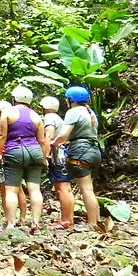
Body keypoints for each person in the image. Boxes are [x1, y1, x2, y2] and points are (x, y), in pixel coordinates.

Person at [0, 86, 48, 233]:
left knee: (11, 190)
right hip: (35, 151)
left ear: (14, 99)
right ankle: (36, 224)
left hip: (14, 150)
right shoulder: (36, 116)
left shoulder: (7, 112)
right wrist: (43, 158)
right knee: (34, 189)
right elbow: (42, 141)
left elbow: (2, 135)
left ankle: (12, 224)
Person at [52, 86, 102, 228]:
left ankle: (93, 224)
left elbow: (63, 135)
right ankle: (97, 221)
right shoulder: (90, 112)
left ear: (70, 100)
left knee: (86, 189)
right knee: (89, 189)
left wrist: (53, 143)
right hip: (94, 150)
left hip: (81, 150)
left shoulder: (73, 112)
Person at [40, 95, 74, 229]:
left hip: (57, 156)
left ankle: (66, 220)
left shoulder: (49, 118)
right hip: (63, 155)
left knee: (62, 189)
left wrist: (45, 157)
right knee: (64, 188)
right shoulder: (58, 118)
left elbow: (48, 136)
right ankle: (68, 219)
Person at [0, 100, 28, 226]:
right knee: (18, 189)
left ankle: (9, 218)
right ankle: (22, 218)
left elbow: (2, 139)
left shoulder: (5, 122)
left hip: (6, 157)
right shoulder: (15, 122)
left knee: (5, 190)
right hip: (16, 156)